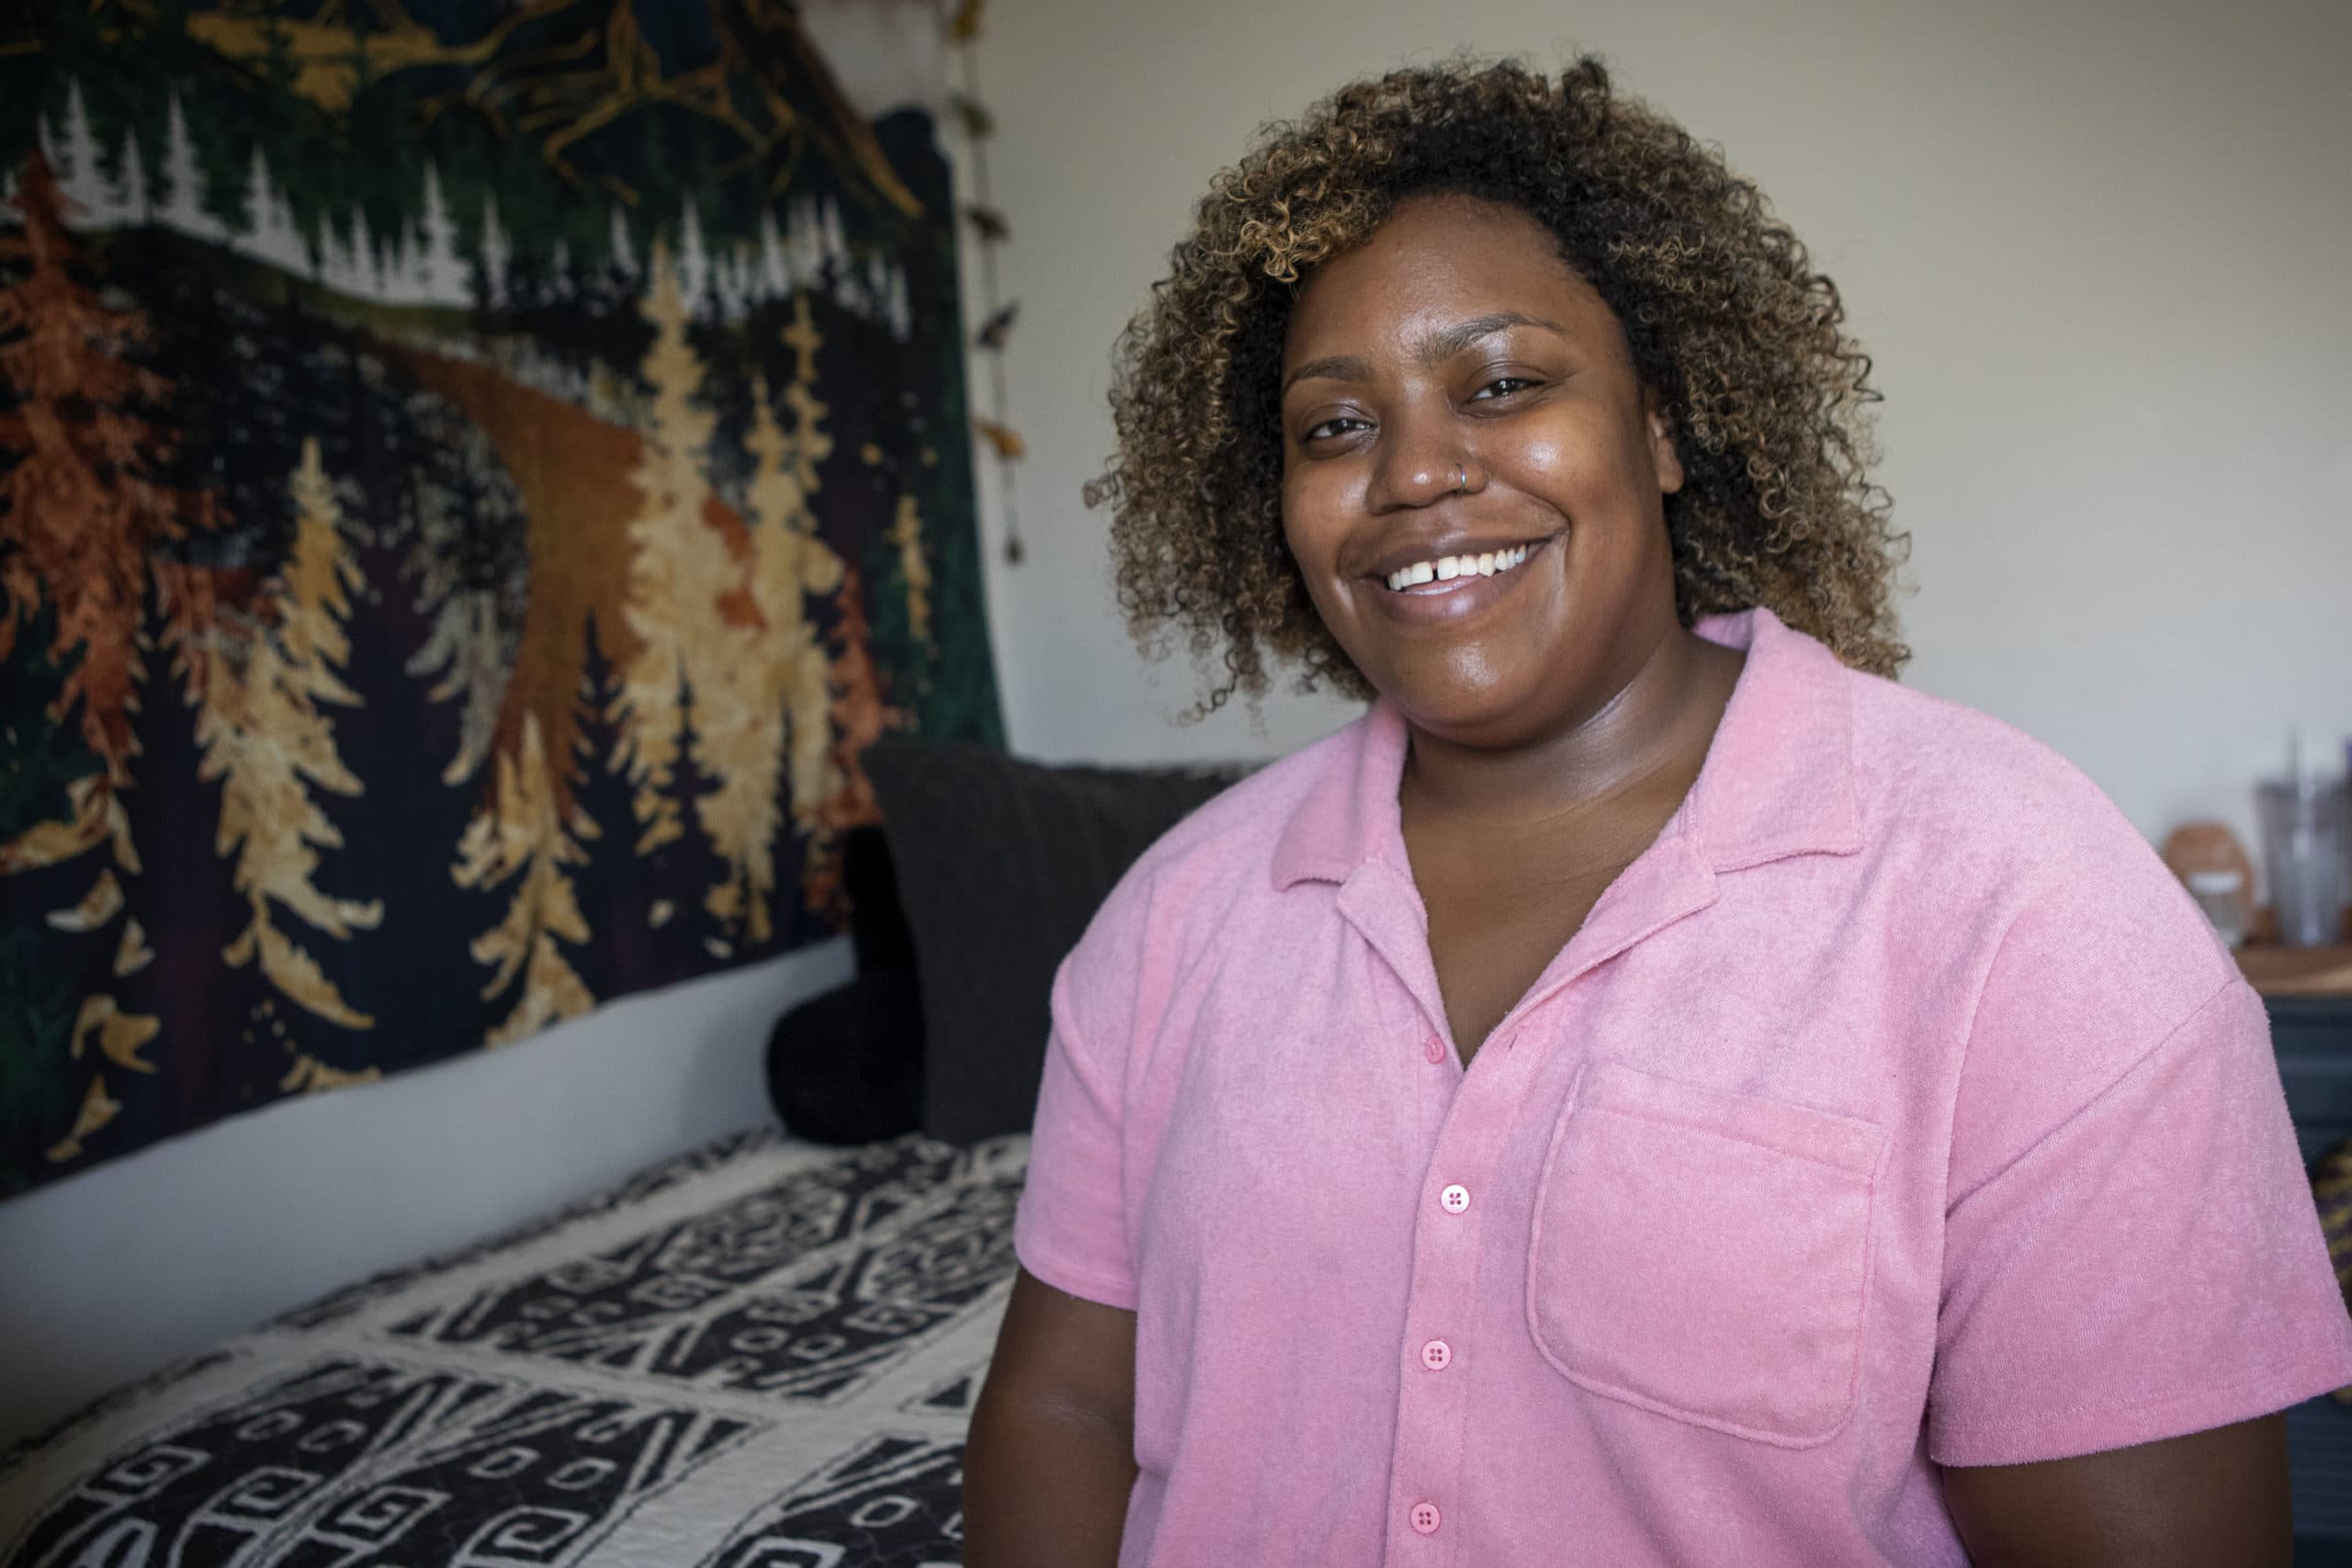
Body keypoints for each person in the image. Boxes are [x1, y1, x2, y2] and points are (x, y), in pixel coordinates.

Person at [962, 57, 2352, 1567]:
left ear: (1669, 426)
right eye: (1334, 428)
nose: (1416, 472)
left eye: (1502, 386)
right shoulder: (1174, 918)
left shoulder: (2027, 904)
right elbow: (1069, 1414)